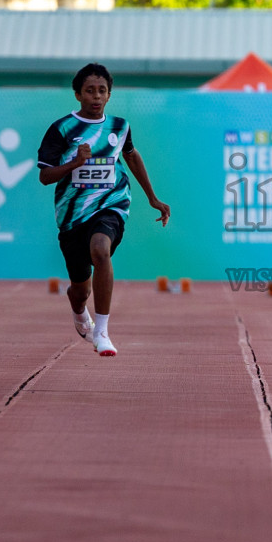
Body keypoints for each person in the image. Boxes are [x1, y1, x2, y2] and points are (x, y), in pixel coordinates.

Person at [37, 63, 170, 357]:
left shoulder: (120, 126)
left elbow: (131, 156)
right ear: (77, 94)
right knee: (79, 289)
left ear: (109, 95)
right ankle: (79, 310)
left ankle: (102, 331)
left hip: (112, 203)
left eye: (102, 91)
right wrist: (74, 163)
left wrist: (152, 197)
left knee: (101, 249)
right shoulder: (62, 129)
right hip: (72, 215)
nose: (96, 97)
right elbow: (45, 177)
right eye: (89, 91)